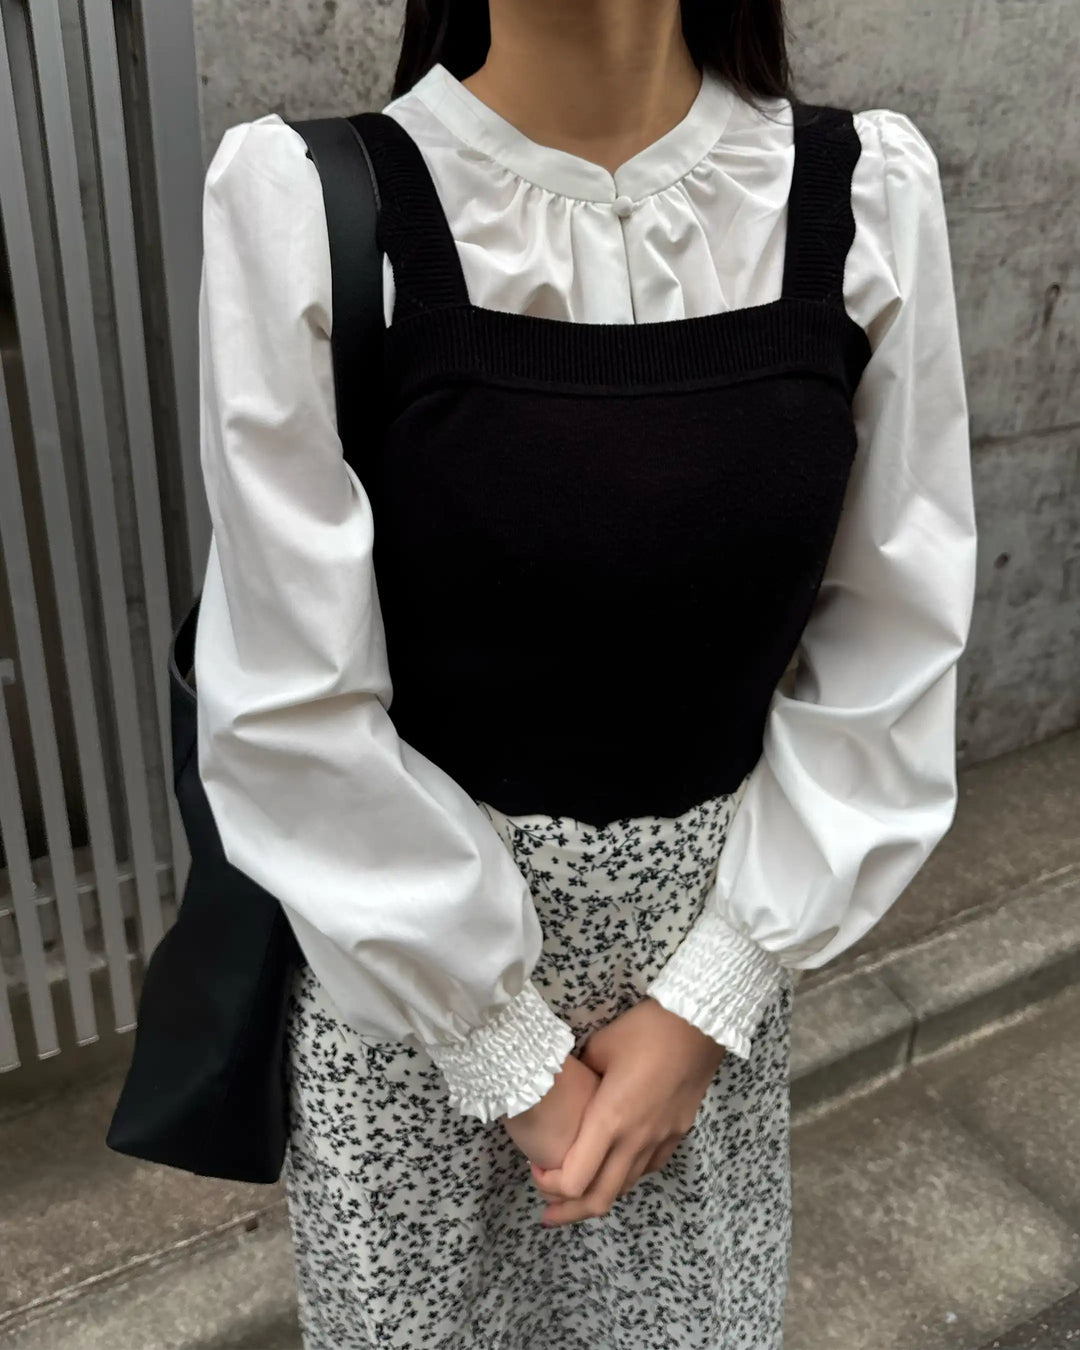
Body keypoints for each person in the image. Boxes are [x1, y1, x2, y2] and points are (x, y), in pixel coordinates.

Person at [192, 0, 977, 1345]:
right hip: (412, 1031)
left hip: (704, 1003)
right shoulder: (312, 203)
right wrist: (505, 1050)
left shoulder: (863, 196)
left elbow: (894, 634)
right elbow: (286, 694)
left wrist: (711, 999)